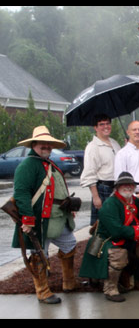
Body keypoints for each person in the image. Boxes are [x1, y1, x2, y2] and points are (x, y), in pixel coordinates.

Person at [12, 126, 79, 304]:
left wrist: (68, 204)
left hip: (59, 216)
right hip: (40, 219)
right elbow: (21, 194)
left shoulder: (50, 163)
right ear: (33, 144)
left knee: (70, 245)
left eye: (48, 144)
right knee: (39, 253)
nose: (46, 146)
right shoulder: (26, 166)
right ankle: (42, 291)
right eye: (42, 143)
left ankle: (69, 282)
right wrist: (27, 219)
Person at [79, 172, 139, 302]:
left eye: (130, 185)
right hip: (105, 242)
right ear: (117, 188)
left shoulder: (134, 201)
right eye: (124, 185)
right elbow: (116, 231)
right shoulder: (110, 204)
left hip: (126, 240)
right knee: (119, 255)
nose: (128, 187)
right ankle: (110, 289)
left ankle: (126, 280)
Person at [80, 114, 121, 225]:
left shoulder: (115, 143)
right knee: (102, 226)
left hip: (117, 189)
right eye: (101, 124)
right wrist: (96, 197)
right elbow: (89, 174)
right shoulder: (93, 147)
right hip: (103, 189)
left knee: (116, 223)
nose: (106, 127)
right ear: (95, 127)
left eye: (107, 123)